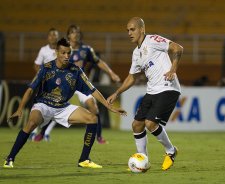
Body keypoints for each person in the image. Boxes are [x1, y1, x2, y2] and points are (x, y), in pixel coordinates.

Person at [3, 38, 126, 169]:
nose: (66, 56)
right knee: (31, 123)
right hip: (43, 105)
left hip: (62, 107)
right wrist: (20, 108)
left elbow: (93, 90)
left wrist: (109, 106)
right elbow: (30, 89)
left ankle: (84, 159)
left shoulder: (76, 71)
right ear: (56, 52)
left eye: (69, 53)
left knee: (92, 118)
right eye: (63, 53)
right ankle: (10, 158)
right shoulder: (46, 68)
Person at [107, 17, 183, 171]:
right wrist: (117, 92)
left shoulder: (153, 40)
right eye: (127, 30)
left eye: (132, 29)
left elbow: (178, 48)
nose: (129, 33)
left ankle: (171, 151)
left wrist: (173, 70)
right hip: (152, 91)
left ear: (142, 29)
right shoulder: (136, 53)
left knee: (150, 123)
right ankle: (143, 160)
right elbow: (132, 77)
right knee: (137, 125)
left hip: (168, 88)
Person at [35, 25, 121, 144]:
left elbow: (98, 62)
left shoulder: (86, 49)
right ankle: (42, 133)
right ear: (68, 35)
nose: (76, 34)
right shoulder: (63, 49)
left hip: (80, 84)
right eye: (73, 32)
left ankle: (99, 136)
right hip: (64, 85)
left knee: (93, 107)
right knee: (53, 105)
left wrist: (111, 73)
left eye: (78, 32)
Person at [30, 28, 59, 141]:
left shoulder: (61, 50)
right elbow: (36, 65)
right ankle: (33, 132)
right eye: (51, 35)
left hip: (57, 85)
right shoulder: (43, 50)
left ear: (57, 37)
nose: (53, 37)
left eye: (55, 35)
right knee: (38, 107)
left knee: (57, 109)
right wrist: (42, 75)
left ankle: (46, 133)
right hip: (44, 84)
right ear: (48, 37)